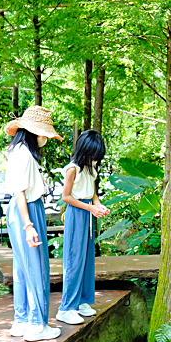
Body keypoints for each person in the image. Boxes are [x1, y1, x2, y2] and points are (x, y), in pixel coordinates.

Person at [3, 105, 64, 342]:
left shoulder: (16, 151)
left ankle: (22, 320)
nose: (46, 139)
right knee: (37, 266)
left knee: (21, 267)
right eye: (45, 135)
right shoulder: (26, 154)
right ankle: (38, 324)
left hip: (17, 211)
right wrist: (28, 225)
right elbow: (20, 192)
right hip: (27, 210)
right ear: (35, 133)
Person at [56, 130, 110, 325]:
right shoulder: (73, 169)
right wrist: (91, 207)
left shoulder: (90, 168)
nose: (96, 160)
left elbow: (93, 193)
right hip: (77, 213)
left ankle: (82, 301)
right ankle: (66, 307)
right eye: (93, 156)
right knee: (74, 260)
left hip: (88, 212)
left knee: (87, 260)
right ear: (85, 151)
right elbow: (66, 197)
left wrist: (98, 205)